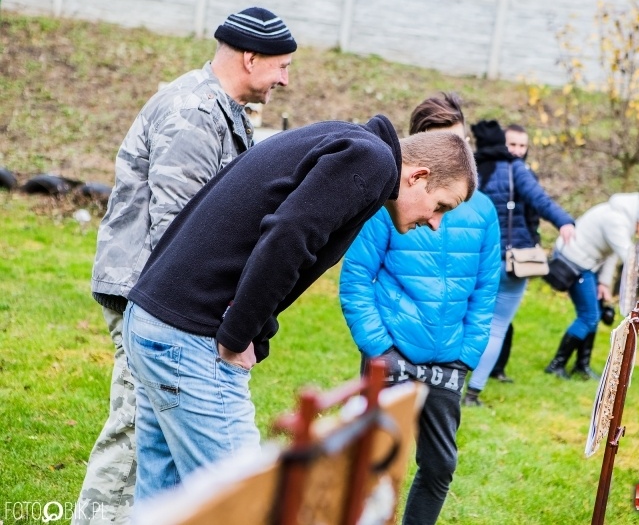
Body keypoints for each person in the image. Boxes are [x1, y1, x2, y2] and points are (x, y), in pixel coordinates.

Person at [122, 115, 477, 504]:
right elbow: (291, 232)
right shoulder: (372, 161)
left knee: (162, 504)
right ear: (418, 176)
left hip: (154, 317)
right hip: (190, 335)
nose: (436, 223)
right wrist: (238, 334)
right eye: (441, 205)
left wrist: (253, 330)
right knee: (245, 506)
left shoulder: (348, 140)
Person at [75, 6, 296, 524]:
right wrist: (196, 315)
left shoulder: (221, 109)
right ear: (250, 57)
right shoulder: (194, 112)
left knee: (159, 430)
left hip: (165, 294)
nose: (286, 79)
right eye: (282, 65)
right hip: (152, 295)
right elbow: (177, 228)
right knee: (135, 429)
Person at [339, 93, 501, 525]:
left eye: (460, 144)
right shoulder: (388, 201)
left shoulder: (482, 211)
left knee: (440, 466)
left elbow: (487, 290)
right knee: (372, 462)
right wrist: (379, 347)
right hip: (391, 353)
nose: (457, 156)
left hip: (449, 357)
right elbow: (356, 278)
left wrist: (468, 353)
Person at [462, 119, 575, 407]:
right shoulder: (517, 171)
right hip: (514, 262)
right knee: (496, 326)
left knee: (467, 317)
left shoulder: (469, 170)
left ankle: (449, 378)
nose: (517, 150)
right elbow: (541, 200)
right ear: (504, 144)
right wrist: (564, 221)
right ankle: (473, 392)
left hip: (476, 258)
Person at [543, 182, 639, 380]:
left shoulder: (624, 219)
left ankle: (581, 366)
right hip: (574, 262)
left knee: (593, 314)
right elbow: (632, 260)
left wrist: (604, 283)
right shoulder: (616, 220)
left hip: (588, 265)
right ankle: (556, 365)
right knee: (589, 316)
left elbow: (611, 254)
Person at [490, 123, 537, 384]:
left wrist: (534, 241)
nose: (517, 151)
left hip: (515, 255)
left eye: (522, 145)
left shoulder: (527, 176)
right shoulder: (488, 173)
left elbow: (533, 216)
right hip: (488, 254)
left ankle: (497, 368)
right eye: (512, 144)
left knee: (503, 319)